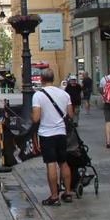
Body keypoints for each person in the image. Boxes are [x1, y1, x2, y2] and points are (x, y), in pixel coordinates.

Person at [32, 68, 74, 205]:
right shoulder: (64, 94)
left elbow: (36, 118)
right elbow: (71, 115)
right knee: (63, 162)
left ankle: (54, 196)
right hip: (61, 133)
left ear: (41, 79)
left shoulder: (38, 96)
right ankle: (67, 193)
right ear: (54, 78)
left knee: (51, 164)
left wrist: (32, 116)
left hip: (46, 134)